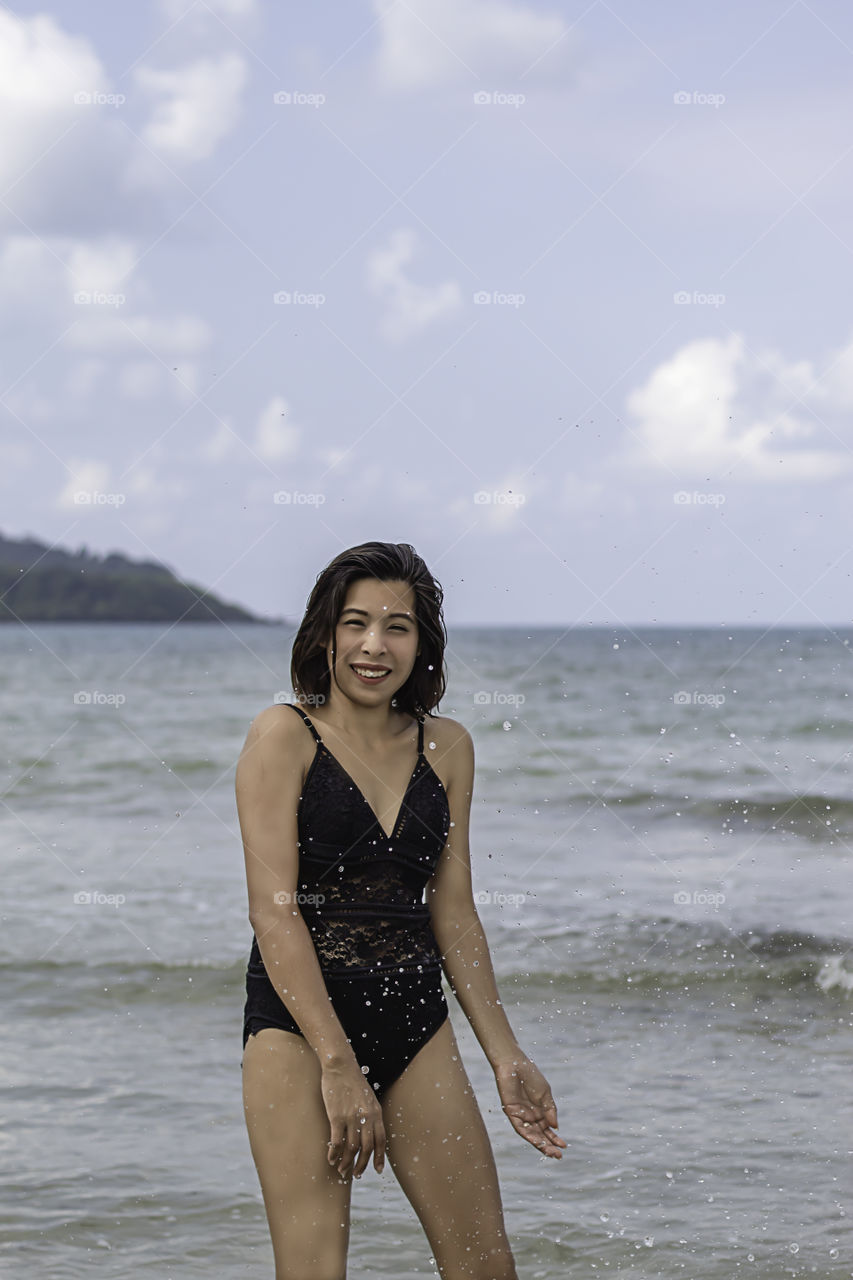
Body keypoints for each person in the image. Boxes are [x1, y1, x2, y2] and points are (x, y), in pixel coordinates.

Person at [237, 541, 565, 1280]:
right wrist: (337, 1064)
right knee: (314, 1271)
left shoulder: (446, 747)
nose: (373, 646)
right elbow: (274, 913)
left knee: (485, 1268)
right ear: (325, 634)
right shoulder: (282, 735)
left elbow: (453, 915)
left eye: (397, 627)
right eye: (355, 623)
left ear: (423, 645)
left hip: (414, 1016)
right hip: (297, 1030)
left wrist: (505, 1057)